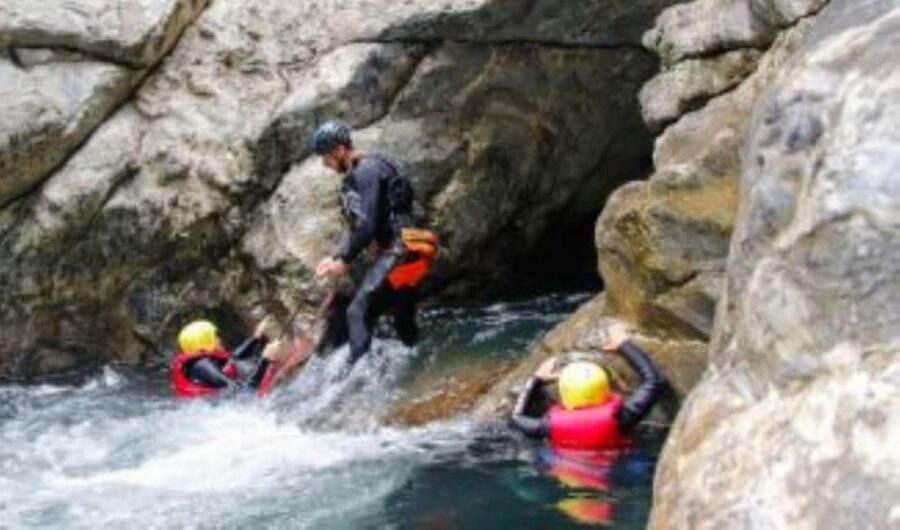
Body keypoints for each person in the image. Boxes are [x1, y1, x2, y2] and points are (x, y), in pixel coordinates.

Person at [309, 120, 436, 364]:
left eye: (326, 157)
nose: (325, 164)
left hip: (399, 251)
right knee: (402, 318)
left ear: (339, 150)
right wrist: (334, 256)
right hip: (413, 250)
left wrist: (344, 260)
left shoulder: (364, 173)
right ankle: (418, 363)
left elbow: (366, 227)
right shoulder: (377, 165)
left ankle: (359, 378)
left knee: (357, 312)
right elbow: (360, 225)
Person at [510, 322, 664, 449]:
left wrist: (536, 378)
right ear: (605, 389)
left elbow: (516, 418)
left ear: (564, 394)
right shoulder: (622, 419)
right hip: (615, 466)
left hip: (566, 471)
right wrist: (623, 343)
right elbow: (653, 380)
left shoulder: (547, 427)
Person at [170, 316, 284, 398]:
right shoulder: (202, 366)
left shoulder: (199, 364)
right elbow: (245, 393)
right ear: (205, 342)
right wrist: (265, 360)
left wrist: (256, 337)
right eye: (215, 336)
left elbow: (233, 359)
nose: (219, 339)